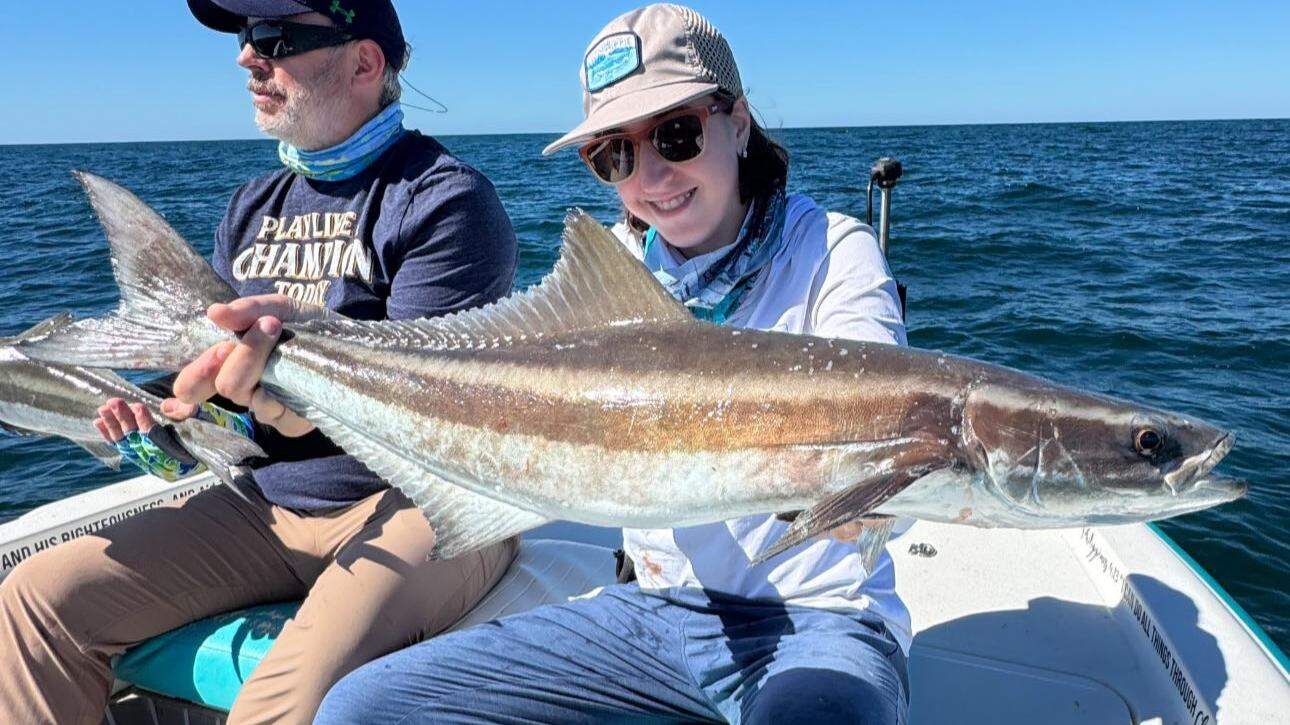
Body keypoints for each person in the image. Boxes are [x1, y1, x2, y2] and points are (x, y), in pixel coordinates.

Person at [314, 4, 911, 723]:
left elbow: (887, 418)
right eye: (615, 155)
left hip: (818, 621)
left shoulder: (832, 252)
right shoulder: (614, 276)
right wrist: (299, 350)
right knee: (360, 708)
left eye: (677, 134)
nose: (652, 176)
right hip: (649, 616)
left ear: (740, 122)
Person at [0, 1, 519, 723]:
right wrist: (166, 423)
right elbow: (221, 397)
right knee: (33, 600)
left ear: (365, 63)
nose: (248, 58)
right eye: (247, 40)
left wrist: (287, 409)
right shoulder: (250, 207)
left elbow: (424, 415)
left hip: (425, 504)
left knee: (286, 697)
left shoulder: (443, 200)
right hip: (268, 500)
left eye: (275, 39)